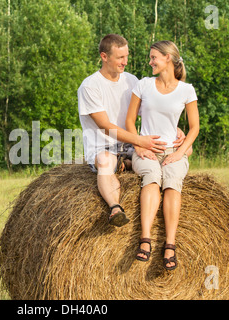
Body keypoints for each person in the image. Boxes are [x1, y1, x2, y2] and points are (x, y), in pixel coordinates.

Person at [77, 34, 186, 228]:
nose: (125, 62)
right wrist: (140, 141)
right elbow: (105, 126)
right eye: (120, 58)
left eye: (126, 56)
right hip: (103, 146)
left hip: (132, 145)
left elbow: (150, 112)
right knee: (105, 161)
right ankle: (115, 208)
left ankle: (125, 163)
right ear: (104, 56)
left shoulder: (132, 81)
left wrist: (175, 129)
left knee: (178, 152)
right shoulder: (90, 86)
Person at [125, 40, 199, 270]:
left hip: (172, 152)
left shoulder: (186, 90)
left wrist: (180, 152)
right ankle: (145, 240)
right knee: (151, 175)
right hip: (145, 149)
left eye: (154, 57)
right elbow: (129, 120)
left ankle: (170, 244)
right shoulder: (144, 85)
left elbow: (194, 127)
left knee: (172, 182)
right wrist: (138, 147)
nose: (150, 62)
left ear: (168, 58)